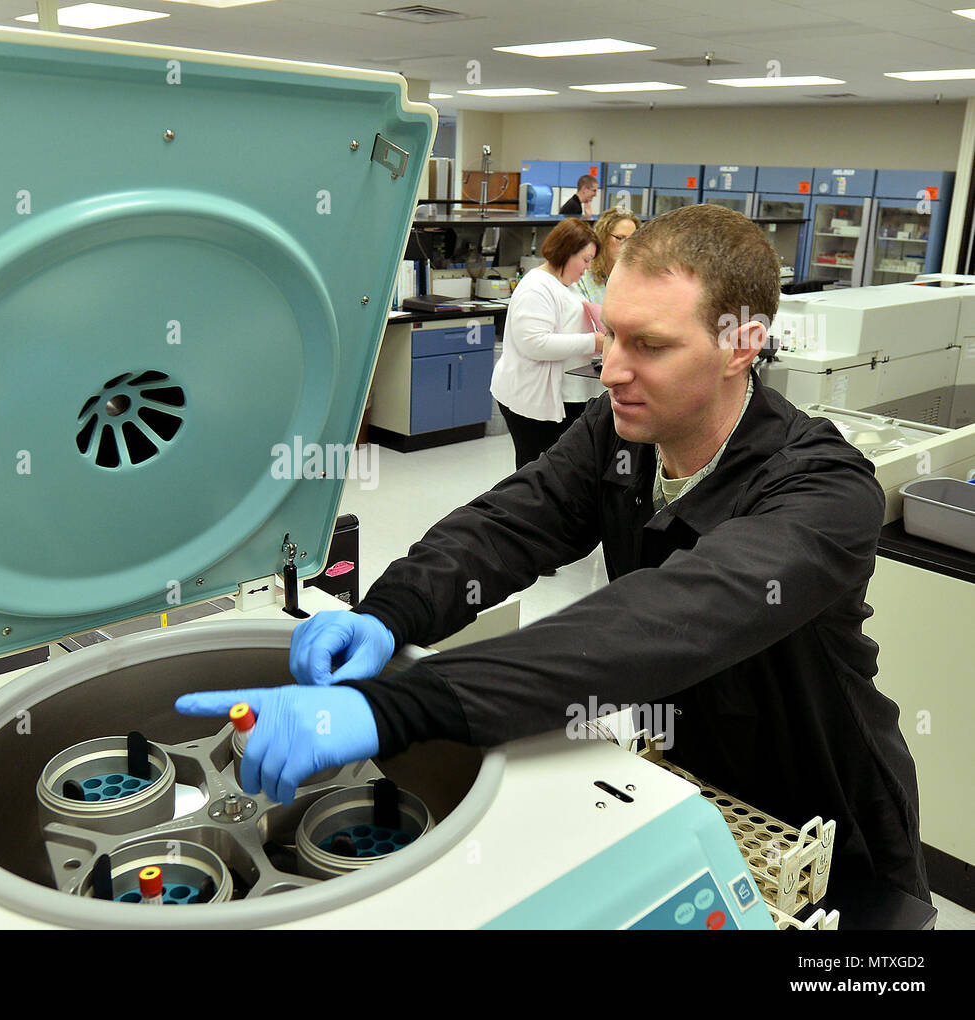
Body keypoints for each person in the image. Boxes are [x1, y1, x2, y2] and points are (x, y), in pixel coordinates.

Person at [177, 204, 929, 904]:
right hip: (686, 780)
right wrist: (390, 611)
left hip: (828, 822)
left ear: (743, 346)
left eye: (651, 347)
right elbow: (509, 524)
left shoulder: (823, 490)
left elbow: (665, 620)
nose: (609, 370)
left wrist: (393, 708)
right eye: (610, 334)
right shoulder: (618, 435)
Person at [491, 217, 603, 472]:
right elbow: (534, 343)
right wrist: (593, 341)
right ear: (566, 251)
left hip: (565, 395)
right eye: (585, 260)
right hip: (530, 398)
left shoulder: (565, 284)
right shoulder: (537, 287)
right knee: (536, 472)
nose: (587, 268)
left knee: (558, 471)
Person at [573, 207, 641, 305]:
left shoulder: (638, 278)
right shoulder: (582, 276)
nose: (627, 246)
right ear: (603, 238)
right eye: (620, 238)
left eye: (633, 240)